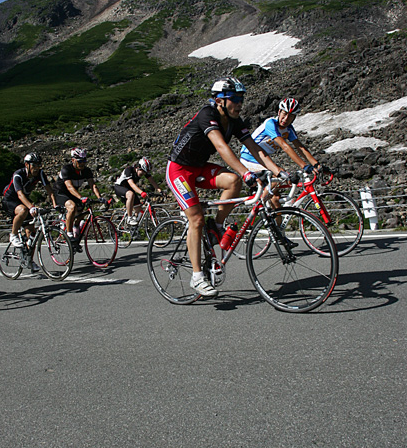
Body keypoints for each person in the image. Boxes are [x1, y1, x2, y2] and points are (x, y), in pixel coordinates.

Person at [166, 77, 289, 298]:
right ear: (219, 101)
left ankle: (217, 225)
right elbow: (221, 147)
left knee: (234, 181)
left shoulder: (236, 120)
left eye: (241, 98)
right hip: (179, 170)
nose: (239, 103)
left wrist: (279, 171)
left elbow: (255, 149)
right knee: (195, 219)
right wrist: (247, 171)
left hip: (200, 168)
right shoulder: (207, 114)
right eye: (234, 99)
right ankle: (196, 277)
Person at [240, 97, 320, 212]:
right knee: (278, 177)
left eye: (290, 116)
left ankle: (276, 228)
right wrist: (304, 166)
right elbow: (285, 146)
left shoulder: (289, 129)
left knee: (275, 199)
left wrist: (317, 165)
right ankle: (258, 208)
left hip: (263, 160)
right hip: (249, 157)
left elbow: (300, 147)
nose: (286, 118)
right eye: (284, 114)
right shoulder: (270, 123)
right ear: (279, 112)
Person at [2, 152, 57, 249]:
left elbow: (50, 191)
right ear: (27, 165)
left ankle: (29, 261)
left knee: (31, 234)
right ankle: (13, 235)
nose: (36, 168)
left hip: (23, 201)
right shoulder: (18, 175)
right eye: (34, 165)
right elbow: (20, 194)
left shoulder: (40, 173)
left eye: (39, 165)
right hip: (10, 200)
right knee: (23, 210)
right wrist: (31, 207)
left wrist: (55, 205)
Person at [53, 148, 106, 247]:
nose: (82, 164)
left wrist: (100, 197)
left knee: (82, 209)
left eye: (84, 161)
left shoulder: (86, 171)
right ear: (73, 160)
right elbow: (69, 187)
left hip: (73, 194)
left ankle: (75, 229)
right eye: (80, 161)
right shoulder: (66, 169)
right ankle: (69, 234)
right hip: (60, 193)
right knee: (72, 207)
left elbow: (92, 185)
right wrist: (81, 197)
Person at [114, 157, 164, 225]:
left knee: (139, 209)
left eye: (144, 173)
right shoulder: (129, 170)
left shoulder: (143, 170)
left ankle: (134, 229)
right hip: (119, 187)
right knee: (130, 194)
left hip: (129, 189)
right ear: (138, 167)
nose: (143, 174)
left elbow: (152, 181)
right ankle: (129, 218)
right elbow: (131, 184)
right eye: (142, 173)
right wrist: (142, 192)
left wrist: (160, 190)